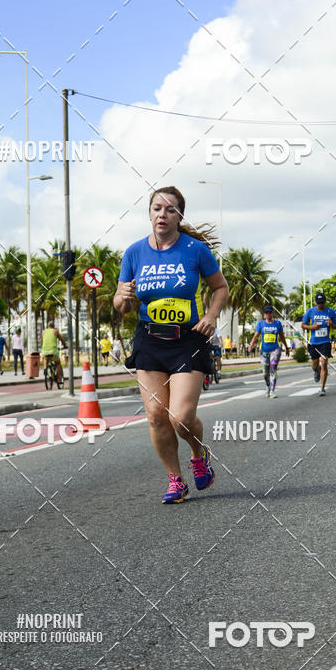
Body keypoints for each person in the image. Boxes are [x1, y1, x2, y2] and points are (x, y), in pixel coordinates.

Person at [113, 185, 228, 504]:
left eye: (170, 209)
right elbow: (121, 303)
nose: (162, 214)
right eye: (156, 208)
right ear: (149, 213)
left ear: (179, 216)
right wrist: (121, 298)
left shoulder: (194, 250)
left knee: (179, 417)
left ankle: (198, 453)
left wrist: (211, 315)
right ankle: (176, 480)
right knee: (155, 415)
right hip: (150, 339)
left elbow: (220, 287)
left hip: (187, 341)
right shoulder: (134, 252)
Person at [248, 305, 289, 398]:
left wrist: (287, 347)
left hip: (275, 349)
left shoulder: (277, 324)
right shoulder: (261, 324)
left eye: (270, 312)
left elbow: (282, 336)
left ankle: (273, 391)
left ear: (272, 313)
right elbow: (256, 336)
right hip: (264, 351)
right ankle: (268, 386)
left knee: (273, 368)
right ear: (264, 314)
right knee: (265, 373)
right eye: (266, 313)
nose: (268, 315)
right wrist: (251, 345)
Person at [302, 292, 336, 397]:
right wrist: (312, 328)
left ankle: (322, 388)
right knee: (315, 365)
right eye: (318, 303)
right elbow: (303, 325)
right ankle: (316, 371)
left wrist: (331, 324)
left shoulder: (331, 312)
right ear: (316, 303)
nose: (320, 305)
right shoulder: (310, 311)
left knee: (324, 362)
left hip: (325, 342)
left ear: (325, 302)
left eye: (322, 303)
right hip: (313, 342)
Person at [41, 321, 66, 386]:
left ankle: (45, 369)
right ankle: (59, 379)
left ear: (47, 326)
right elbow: (62, 340)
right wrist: (65, 345)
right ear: (53, 326)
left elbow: (43, 341)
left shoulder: (43, 332)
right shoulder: (55, 331)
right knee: (58, 364)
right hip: (53, 351)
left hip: (45, 350)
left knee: (45, 359)